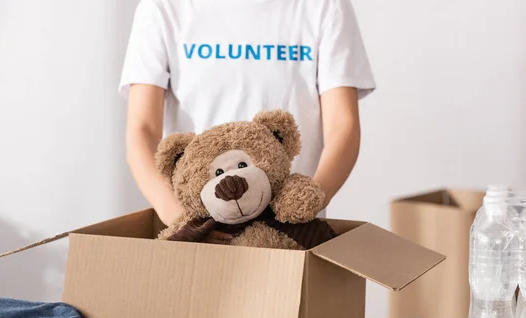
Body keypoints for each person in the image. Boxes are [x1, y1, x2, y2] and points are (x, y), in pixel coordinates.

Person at [119, 0, 375, 230]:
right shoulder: (162, 8)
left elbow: (343, 126)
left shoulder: (325, 7)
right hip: (198, 227)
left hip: (293, 231)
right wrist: (183, 220)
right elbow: (142, 131)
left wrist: (304, 203)